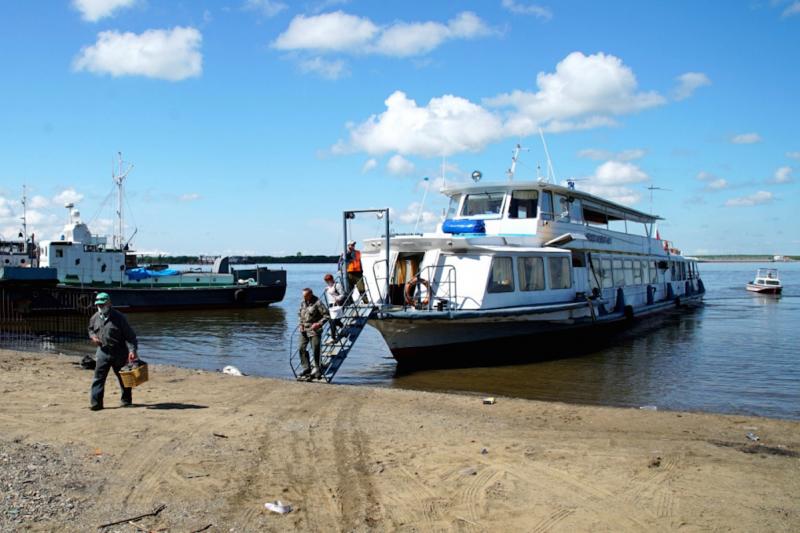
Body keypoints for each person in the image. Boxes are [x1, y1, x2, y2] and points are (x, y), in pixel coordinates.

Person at [87, 292, 138, 410]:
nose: (100, 307)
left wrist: (132, 350)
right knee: (98, 378)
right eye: (98, 305)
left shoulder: (119, 317)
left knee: (124, 378)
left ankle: (126, 400)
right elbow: (90, 329)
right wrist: (93, 336)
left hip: (119, 352)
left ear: (109, 303)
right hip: (102, 352)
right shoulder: (94, 317)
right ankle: (96, 404)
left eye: (103, 304)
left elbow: (130, 336)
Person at [297, 287, 329, 381]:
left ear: (310, 294)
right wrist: (300, 324)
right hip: (304, 330)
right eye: (303, 296)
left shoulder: (318, 302)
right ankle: (306, 368)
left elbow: (327, 315)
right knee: (301, 348)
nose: (304, 297)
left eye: (305, 296)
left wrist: (319, 324)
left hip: (314, 330)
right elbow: (299, 314)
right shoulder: (303, 302)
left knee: (315, 349)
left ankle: (317, 369)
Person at [323, 273, 345, 342]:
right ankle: (343, 327)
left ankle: (333, 338)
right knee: (331, 321)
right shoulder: (328, 287)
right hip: (330, 305)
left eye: (328, 280)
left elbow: (343, 295)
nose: (327, 282)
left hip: (337, 304)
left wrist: (337, 299)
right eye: (326, 281)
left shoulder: (337, 285)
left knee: (334, 321)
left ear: (332, 279)